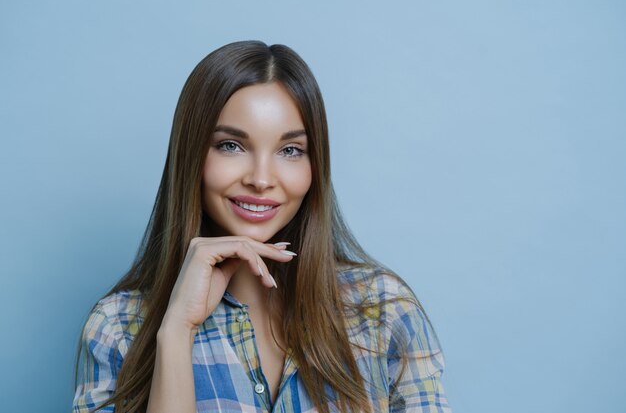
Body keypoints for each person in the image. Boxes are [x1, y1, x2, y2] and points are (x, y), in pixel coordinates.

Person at [73, 40, 451, 413]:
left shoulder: (383, 310)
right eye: (231, 145)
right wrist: (175, 333)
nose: (261, 179)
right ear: (192, 155)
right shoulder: (118, 327)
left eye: (290, 151)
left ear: (313, 167)